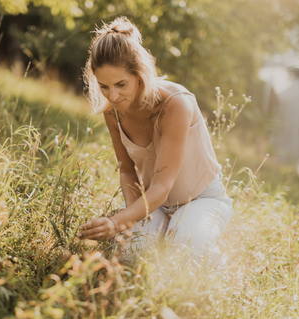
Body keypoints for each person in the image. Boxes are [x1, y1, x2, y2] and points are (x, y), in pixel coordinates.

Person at [76, 16, 234, 264]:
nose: (113, 95)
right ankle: (167, 233)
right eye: (104, 86)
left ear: (139, 74)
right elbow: (127, 170)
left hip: (202, 199)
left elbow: (162, 185)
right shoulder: (113, 110)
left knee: (182, 252)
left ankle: (217, 264)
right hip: (155, 205)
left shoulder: (175, 104)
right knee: (129, 258)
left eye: (120, 84)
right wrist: (131, 221)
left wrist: (117, 222)